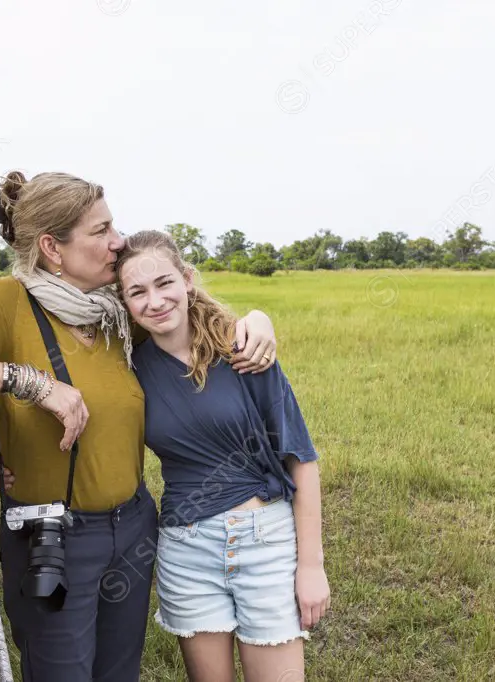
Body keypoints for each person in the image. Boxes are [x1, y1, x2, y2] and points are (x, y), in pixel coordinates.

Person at [0, 170, 279, 682]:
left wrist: (259, 319)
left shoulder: (118, 312)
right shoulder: (6, 302)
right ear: (53, 247)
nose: (120, 242)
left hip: (133, 526)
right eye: (102, 231)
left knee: (118, 672)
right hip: (54, 537)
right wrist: (32, 384)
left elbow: (201, 316)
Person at [115, 229, 329, 682]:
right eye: (138, 291)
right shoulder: (130, 369)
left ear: (187, 279)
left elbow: (301, 460)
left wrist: (311, 567)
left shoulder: (244, 350)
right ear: (125, 301)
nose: (155, 301)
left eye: (164, 283)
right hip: (187, 550)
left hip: (266, 543)